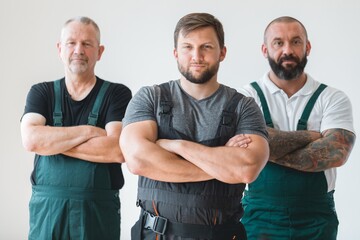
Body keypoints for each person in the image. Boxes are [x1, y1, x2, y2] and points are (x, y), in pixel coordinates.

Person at [120, 12, 269, 240]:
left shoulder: (244, 107)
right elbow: (138, 160)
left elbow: (247, 169)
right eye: (187, 47)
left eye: (206, 47)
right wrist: (222, 167)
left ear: (222, 52)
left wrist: (176, 146)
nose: (196, 56)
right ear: (175, 53)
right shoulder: (150, 98)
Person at [239, 16, 356, 240]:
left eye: (295, 42)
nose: (287, 50)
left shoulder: (332, 98)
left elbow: (336, 153)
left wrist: (262, 148)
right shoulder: (245, 97)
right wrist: (311, 137)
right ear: (265, 49)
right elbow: (242, 152)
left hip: (316, 218)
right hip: (259, 216)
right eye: (278, 43)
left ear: (307, 47)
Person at [20, 16, 132, 240]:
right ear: (60, 49)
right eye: (71, 43)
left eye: (87, 44)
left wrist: (51, 143)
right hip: (48, 212)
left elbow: (117, 150)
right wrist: (90, 132)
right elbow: (32, 140)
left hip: (97, 212)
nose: (78, 50)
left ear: (99, 52)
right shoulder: (41, 92)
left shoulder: (117, 94)